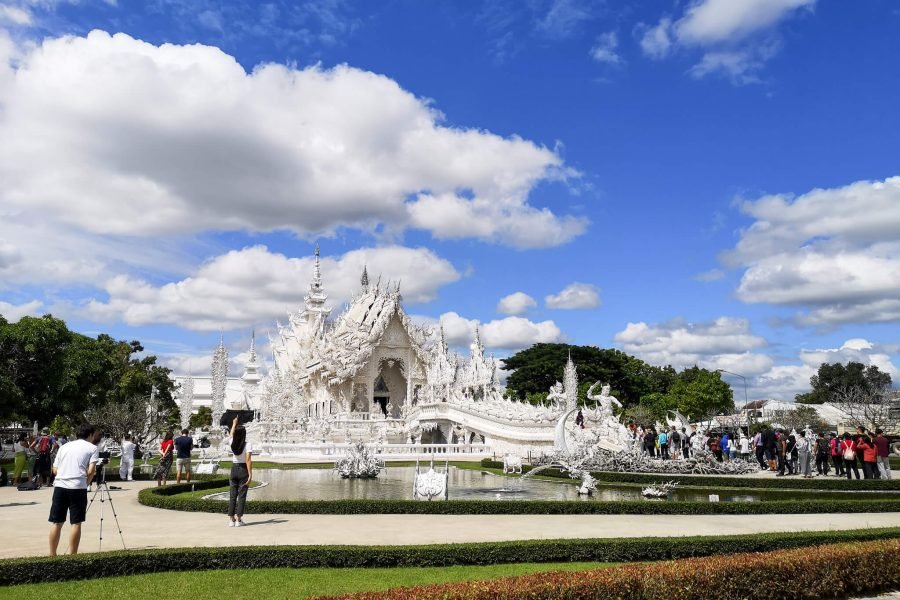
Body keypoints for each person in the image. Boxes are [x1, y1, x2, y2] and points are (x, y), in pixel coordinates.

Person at [48, 424, 100, 556]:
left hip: (60, 485)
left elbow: (55, 469)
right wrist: (85, 483)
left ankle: (52, 554)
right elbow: (91, 470)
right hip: (77, 486)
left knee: (56, 522)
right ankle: (72, 555)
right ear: (90, 435)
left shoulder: (64, 447)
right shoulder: (92, 448)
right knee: (76, 523)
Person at [228, 416, 253, 527]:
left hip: (233, 469)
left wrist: (234, 424)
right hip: (243, 469)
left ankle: (231, 519)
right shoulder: (247, 445)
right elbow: (248, 460)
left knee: (233, 495)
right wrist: (250, 475)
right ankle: (239, 519)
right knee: (241, 495)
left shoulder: (232, 442)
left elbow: (231, 435)